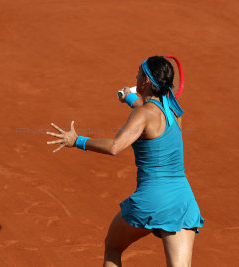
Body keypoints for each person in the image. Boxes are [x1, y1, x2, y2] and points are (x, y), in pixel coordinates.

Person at [46, 56, 205, 267]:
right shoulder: (176, 112)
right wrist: (130, 99)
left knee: (113, 247)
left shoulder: (143, 114)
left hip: (152, 200)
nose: (136, 76)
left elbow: (115, 147)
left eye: (139, 73)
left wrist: (77, 141)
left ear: (146, 80)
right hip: (182, 201)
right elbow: (150, 111)